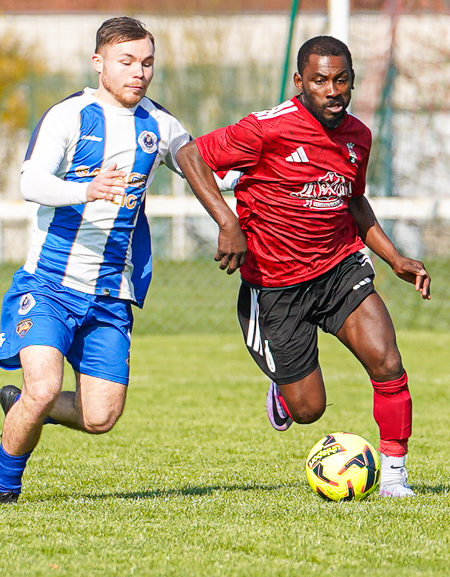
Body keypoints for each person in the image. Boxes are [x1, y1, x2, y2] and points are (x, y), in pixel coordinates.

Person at [175, 35, 431, 497]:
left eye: (341, 80)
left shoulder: (359, 136)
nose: (332, 91)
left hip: (340, 268)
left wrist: (394, 258)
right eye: (320, 81)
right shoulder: (267, 129)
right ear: (300, 81)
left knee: (388, 362)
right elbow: (190, 155)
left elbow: (354, 201)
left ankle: (395, 477)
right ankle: (284, 389)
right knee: (309, 409)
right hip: (276, 285)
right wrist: (228, 222)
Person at [0, 17, 195, 504]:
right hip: (48, 286)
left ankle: (23, 406)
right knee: (45, 387)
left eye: (147, 63)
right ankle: (4, 493)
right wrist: (86, 189)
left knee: (100, 417)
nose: (139, 72)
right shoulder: (70, 115)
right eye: (127, 61)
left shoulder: (161, 124)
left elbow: (204, 170)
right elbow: (31, 182)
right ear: (99, 63)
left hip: (110, 295)